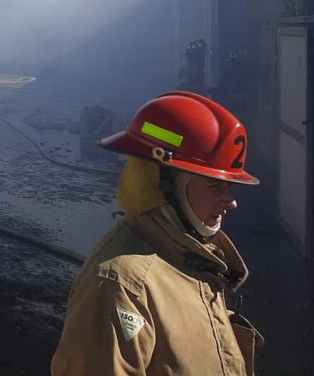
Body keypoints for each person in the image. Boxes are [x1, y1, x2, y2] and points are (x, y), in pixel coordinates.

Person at [51, 91, 263, 376]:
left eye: (230, 187)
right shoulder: (120, 287)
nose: (232, 201)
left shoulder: (191, 259)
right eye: (215, 186)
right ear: (163, 186)